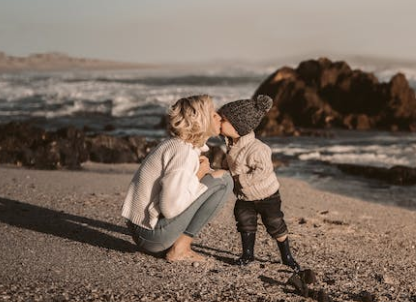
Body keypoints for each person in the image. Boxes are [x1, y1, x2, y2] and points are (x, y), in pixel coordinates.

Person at [122, 95, 233, 262]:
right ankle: (180, 248)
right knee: (224, 181)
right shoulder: (183, 152)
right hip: (152, 235)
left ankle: (177, 245)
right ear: (200, 119)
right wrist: (199, 175)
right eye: (213, 113)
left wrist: (202, 175)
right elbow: (170, 208)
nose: (219, 116)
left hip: (146, 230)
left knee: (215, 178)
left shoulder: (179, 145)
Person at [218, 95, 301, 272]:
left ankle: (286, 255)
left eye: (223, 119)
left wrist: (235, 178)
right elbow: (232, 162)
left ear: (238, 126)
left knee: (274, 223)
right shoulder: (232, 143)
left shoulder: (258, 148)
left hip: (267, 195)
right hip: (245, 196)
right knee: (244, 221)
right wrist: (224, 167)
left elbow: (262, 171)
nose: (219, 121)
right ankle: (248, 254)